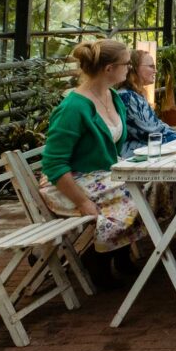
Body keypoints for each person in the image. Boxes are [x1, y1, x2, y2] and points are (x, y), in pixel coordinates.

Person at [41, 40, 146, 266]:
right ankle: (98, 257)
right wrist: (82, 202)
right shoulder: (73, 108)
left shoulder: (113, 97)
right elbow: (53, 164)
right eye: (126, 64)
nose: (129, 68)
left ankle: (119, 254)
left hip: (103, 174)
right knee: (132, 193)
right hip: (70, 184)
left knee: (151, 184)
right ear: (109, 69)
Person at [118, 49, 176, 156]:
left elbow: (157, 127)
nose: (155, 71)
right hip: (137, 154)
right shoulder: (127, 97)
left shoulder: (135, 94)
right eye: (151, 66)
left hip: (148, 148)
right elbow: (151, 132)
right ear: (134, 68)